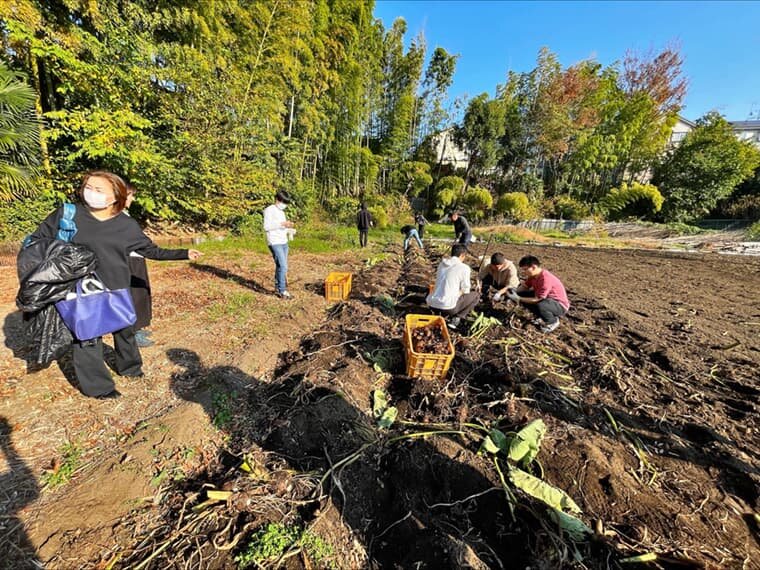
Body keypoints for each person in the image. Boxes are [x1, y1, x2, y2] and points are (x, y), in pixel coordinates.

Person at [29, 171, 202, 398]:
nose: (90, 193)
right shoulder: (67, 215)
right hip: (80, 289)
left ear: (115, 197)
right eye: (88, 187)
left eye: (99, 190)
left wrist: (184, 253)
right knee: (87, 338)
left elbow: (150, 250)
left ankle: (130, 368)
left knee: (125, 330)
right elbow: (37, 240)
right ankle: (99, 388)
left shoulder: (126, 225)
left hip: (116, 287)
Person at [506, 255, 570, 333]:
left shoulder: (545, 278)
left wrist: (518, 298)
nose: (524, 272)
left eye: (525, 269)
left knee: (541, 305)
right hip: (548, 300)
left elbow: (537, 299)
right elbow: (525, 287)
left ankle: (552, 321)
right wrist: (515, 291)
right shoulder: (532, 276)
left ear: (533, 267)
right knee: (524, 295)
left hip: (559, 305)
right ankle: (541, 316)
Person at [124, 185, 154, 348]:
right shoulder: (116, 218)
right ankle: (133, 333)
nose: (132, 199)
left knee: (142, 294)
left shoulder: (125, 215)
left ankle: (139, 327)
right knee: (133, 297)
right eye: (130, 196)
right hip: (128, 262)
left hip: (137, 258)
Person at [426, 244, 479, 330]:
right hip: (448, 308)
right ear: (462, 255)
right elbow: (466, 290)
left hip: (432, 304)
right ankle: (456, 319)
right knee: (476, 295)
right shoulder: (464, 268)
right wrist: (458, 293)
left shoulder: (441, 264)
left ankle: (440, 313)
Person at [263, 190, 295, 298]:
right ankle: (282, 290)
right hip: (274, 242)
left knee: (280, 266)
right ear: (278, 200)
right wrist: (281, 224)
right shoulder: (269, 210)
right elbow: (266, 227)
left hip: (283, 242)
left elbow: (282, 227)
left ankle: (277, 287)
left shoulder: (282, 212)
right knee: (283, 266)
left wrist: (289, 229)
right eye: (284, 202)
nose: (284, 205)